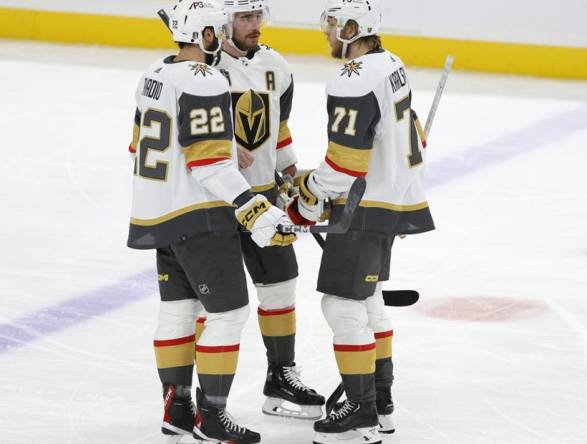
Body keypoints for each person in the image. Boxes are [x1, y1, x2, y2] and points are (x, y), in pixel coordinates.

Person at [126, 1, 296, 442]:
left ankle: (177, 409)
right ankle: (213, 417)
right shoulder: (204, 80)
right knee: (229, 311)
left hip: (156, 211)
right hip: (198, 215)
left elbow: (137, 147)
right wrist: (253, 206)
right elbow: (208, 166)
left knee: (178, 310)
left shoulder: (154, 73)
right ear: (204, 34)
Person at [286, 0, 436, 442]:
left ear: (352, 29)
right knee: (368, 299)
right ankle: (381, 401)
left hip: (364, 205)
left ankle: (361, 412)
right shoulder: (392, 64)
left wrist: (308, 191)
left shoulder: (353, 77)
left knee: (340, 304)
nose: (327, 33)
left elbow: (347, 165)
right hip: (392, 198)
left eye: (333, 25)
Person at [205, 0, 326, 420]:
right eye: (245, 17)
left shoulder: (277, 66)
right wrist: (222, 144)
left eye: (258, 16)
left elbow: (279, 125)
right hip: (215, 202)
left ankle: (280, 378)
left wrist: (292, 173)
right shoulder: (201, 70)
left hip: (264, 198)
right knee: (213, 305)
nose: (255, 25)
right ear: (222, 23)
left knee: (281, 285)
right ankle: (197, 398)